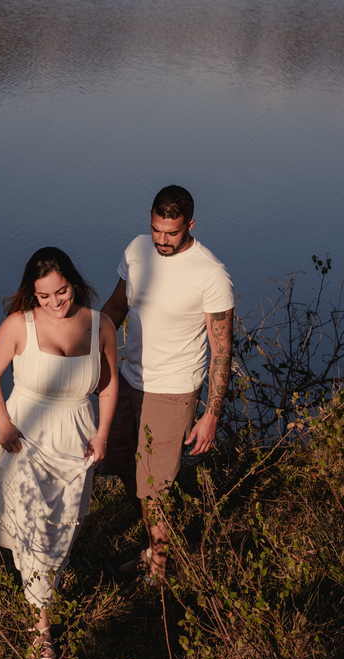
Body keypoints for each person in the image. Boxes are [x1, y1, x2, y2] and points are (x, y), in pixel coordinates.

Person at [0, 246, 118, 659]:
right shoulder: (18, 326)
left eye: (61, 292)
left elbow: (109, 386)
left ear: (73, 283)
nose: (55, 303)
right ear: (33, 295)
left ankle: (39, 589)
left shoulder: (102, 326)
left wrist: (103, 435)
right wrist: (3, 424)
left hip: (76, 443)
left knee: (61, 532)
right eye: (44, 296)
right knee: (36, 531)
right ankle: (41, 628)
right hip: (25, 439)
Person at [99, 185, 234, 583]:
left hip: (174, 390)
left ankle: (159, 572)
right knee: (122, 465)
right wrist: (91, 360)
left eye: (171, 233)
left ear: (189, 225)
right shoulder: (137, 250)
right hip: (128, 381)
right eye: (157, 229)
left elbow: (222, 351)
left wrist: (211, 414)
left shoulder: (210, 274)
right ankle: (152, 544)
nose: (162, 240)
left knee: (155, 489)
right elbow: (115, 308)